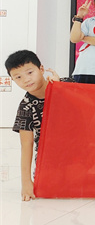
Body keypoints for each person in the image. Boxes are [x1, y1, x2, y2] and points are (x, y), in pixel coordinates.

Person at [5, 50, 65, 201]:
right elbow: (27, 145)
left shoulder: (65, 84)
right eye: (18, 77)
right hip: (49, 157)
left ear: (41, 69)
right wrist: (26, 182)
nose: (26, 80)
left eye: (30, 72)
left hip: (78, 148)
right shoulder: (26, 107)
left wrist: (60, 89)